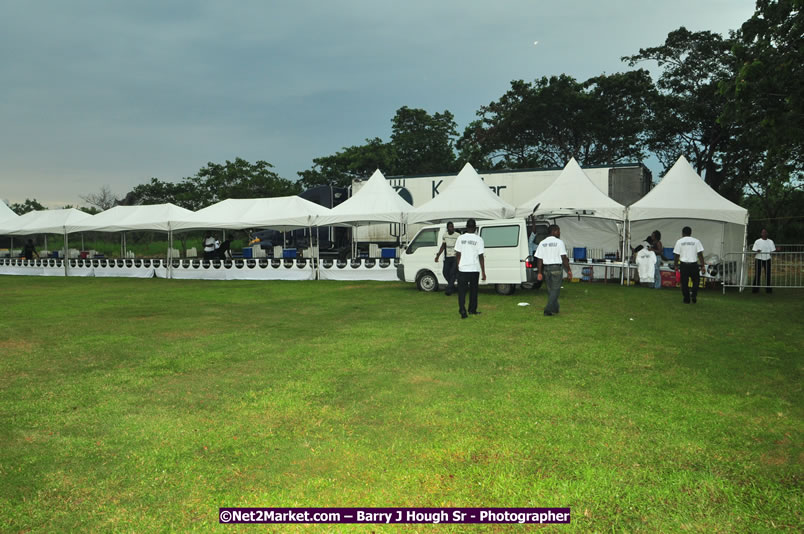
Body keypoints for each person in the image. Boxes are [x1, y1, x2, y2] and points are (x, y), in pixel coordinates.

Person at [535, 225, 571, 316]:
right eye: (558, 231)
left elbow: (539, 259)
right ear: (554, 231)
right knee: (555, 290)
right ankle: (548, 310)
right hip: (556, 269)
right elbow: (564, 257)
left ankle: (555, 308)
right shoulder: (559, 242)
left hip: (546, 269)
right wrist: (569, 270)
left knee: (551, 290)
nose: (559, 233)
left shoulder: (542, 243)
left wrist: (539, 272)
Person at [454, 219, 486, 319]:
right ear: (475, 228)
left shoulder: (460, 238)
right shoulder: (479, 239)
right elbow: (481, 256)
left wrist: (459, 265)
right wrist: (483, 272)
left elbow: (458, 254)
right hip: (474, 268)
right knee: (473, 291)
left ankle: (462, 310)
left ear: (466, 227)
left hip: (463, 269)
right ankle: (472, 309)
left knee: (462, 291)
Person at [672, 226, 706, 304]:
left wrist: (676, 265)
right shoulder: (696, 241)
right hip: (694, 264)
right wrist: (703, 265)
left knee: (684, 283)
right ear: (690, 233)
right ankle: (694, 294)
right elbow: (700, 254)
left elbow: (676, 255)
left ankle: (686, 299)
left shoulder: (679, 241)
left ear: (682, 233)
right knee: (696, 281)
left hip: (684, 265)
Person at [434, 221, 460, 295]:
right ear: (447, 228)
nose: (451, 228)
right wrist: (437, 256)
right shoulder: (445, 235)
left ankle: (448, 290)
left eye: (452, 226)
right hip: (448, 257)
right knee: (445, 272)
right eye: (450, 227)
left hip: (455, 257)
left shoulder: (457, 235)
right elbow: (443, 246)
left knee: (452, 273)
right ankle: (452, 286)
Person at [751, 228, 778, 294]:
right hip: (758, 259)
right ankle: (755, 289)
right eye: (763, 232)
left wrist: (777, 250)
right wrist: (757, 251)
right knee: (757, 274)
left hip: (767, 259)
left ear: (767, 234)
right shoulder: (757, 241)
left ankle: (768, 290)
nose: (764, 234)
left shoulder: (770, 241)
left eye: (765, 232)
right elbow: (753, 251)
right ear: (761, 234)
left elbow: (773, 251)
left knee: (768, 274)